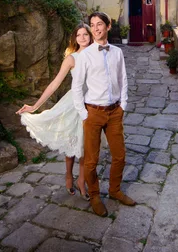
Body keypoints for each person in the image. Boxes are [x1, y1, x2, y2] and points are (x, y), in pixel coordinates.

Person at [16, 23, 92, 200]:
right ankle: (68, 175)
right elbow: (54, 84)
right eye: (79, 35)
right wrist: (35, 106)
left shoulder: (97, 55)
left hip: (93, 103)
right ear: (75, 38)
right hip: (74, 103)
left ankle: (82, 180)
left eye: (85, 34)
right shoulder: (72, 59)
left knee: (86, 147)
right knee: (72, 143)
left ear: (90, 36)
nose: (82, 38)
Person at [71, 12, 136, 217]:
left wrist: (123, 105)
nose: (96, 28)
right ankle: (96, 196)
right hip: (93, 113)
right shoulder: (85, 55)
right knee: (91, 161)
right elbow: (77, 87)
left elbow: (123, 79)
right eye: (92, 25)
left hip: (114, 111)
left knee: (120, 156)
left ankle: (115, 190)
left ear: (108, 26)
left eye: (100, 24)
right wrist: (84, 114)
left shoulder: (117, 52)